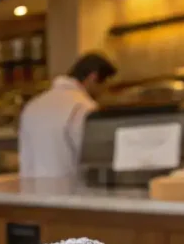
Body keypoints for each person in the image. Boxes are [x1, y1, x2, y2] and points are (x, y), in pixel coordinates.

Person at [18, 52, 117, 180]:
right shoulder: (84, 107)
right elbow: (94, 158)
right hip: (67, 194)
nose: (104, 92)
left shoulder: (32, 106)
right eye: (104, 86)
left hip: (31, 194)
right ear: (93, 77)